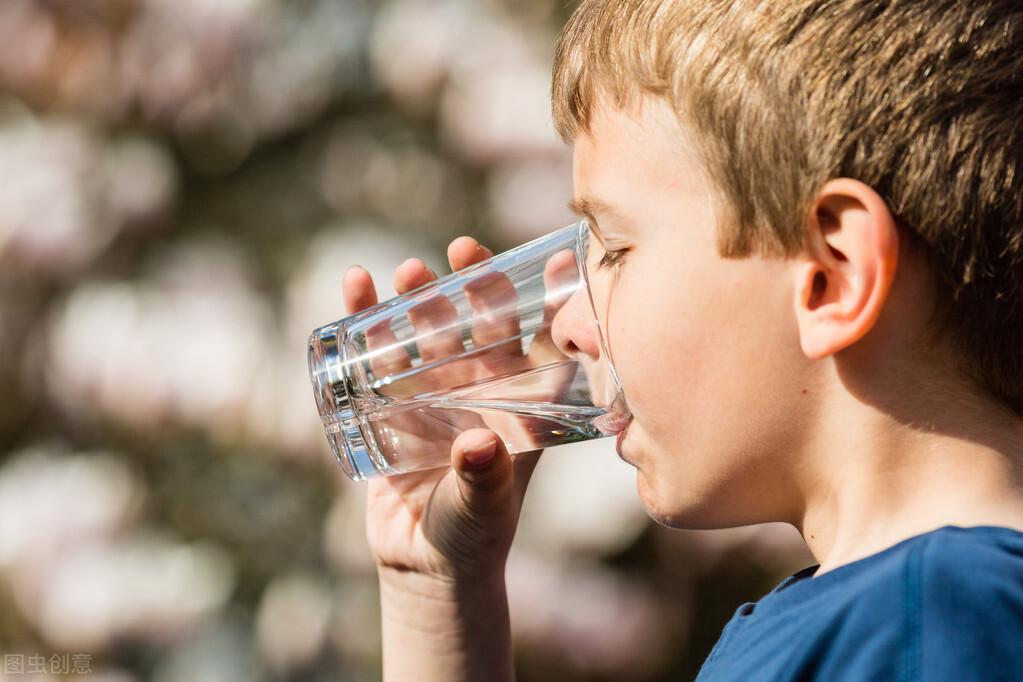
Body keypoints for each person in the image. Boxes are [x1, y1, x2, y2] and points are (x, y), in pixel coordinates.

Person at [340, 1, 1023, 679]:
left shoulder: (934, 618)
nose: (571, 328)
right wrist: (433, 593)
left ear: (829, 276)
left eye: (613, 249)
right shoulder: (890, 616)